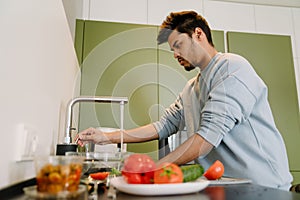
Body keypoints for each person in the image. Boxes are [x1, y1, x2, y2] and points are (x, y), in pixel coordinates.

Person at [75, 10, 293, 190]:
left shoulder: (232, 68)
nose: (175, 54)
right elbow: (163, 126)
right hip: (226, 186)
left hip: (264, 187)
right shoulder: (192, 88)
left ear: (198, 34)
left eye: (178, 45)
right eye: (172, 49)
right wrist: (107, 137)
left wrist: (153, 171)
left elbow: (205, 138)